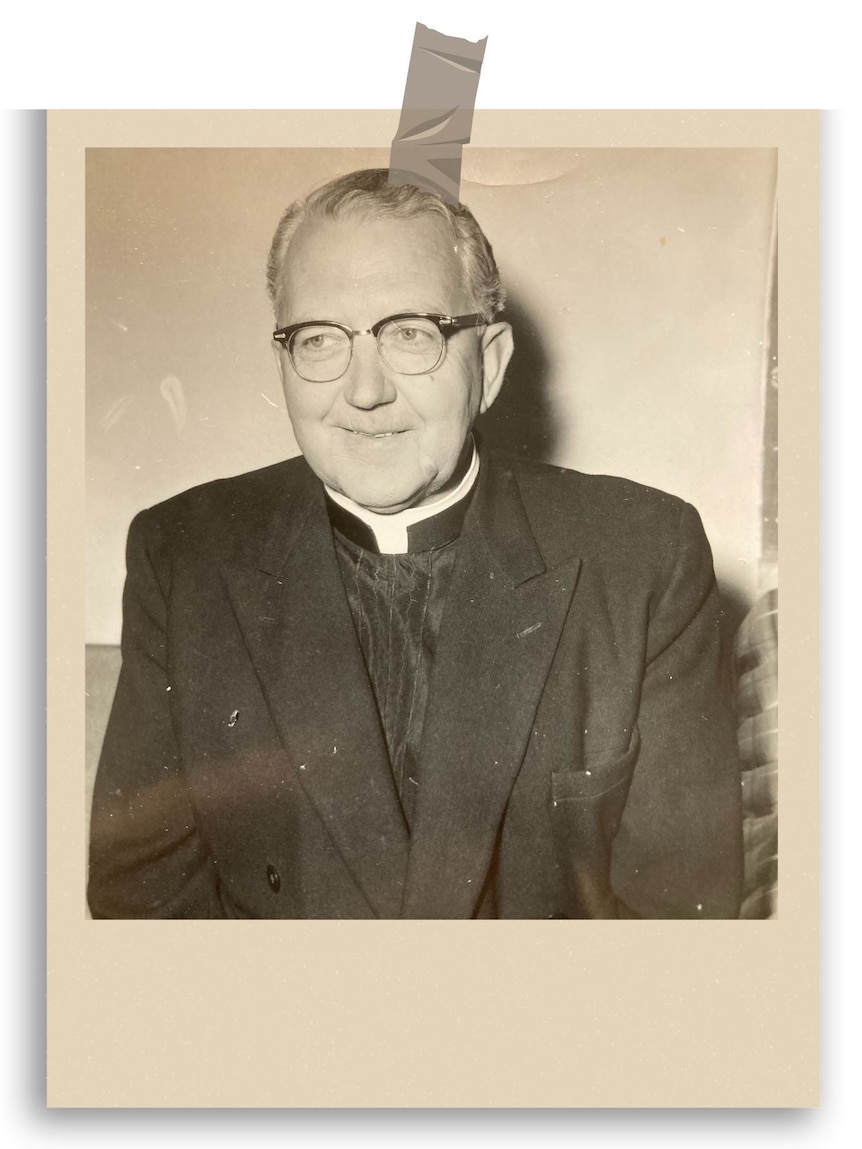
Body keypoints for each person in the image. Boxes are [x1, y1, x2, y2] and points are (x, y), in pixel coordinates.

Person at [88, 168, 743, 920]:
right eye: (320, 339)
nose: (365, 391)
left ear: (489, 365)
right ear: (284, 364)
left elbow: (677, 933)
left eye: (410, 334)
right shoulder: (183, 558)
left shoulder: (645, 559)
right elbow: (142, 913)